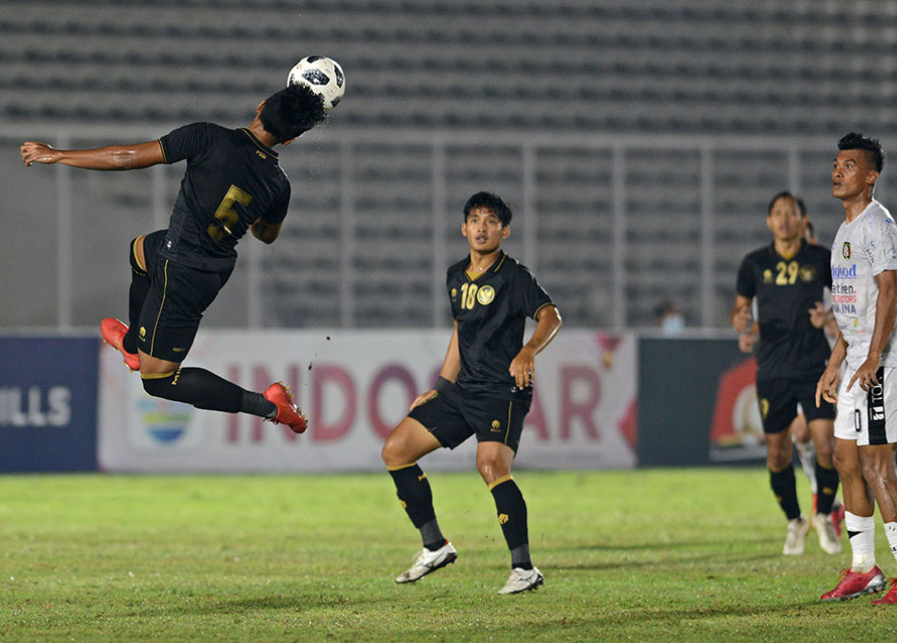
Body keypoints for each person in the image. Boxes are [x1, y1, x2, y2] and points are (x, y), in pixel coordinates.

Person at [19, 84, 322, 434]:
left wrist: (57, 155)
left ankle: (269, 405)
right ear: (290, 140)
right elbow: (266, 235)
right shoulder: (279, 185)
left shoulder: (207, 137)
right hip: (203, 261)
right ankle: (133, 346)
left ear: (261, 105)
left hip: (183, 270)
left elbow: (126, 158)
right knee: (140, 250)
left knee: (158, 381)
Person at [381, 191, 562, 595]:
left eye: (491, 221)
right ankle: (434, 546)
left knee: (491, 466)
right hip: (462, 391)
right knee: (396, 450)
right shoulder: (454, 276)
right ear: (463, 228)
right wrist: (440, 388)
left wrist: (528, 350)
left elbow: (551, 315)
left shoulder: (514, 276)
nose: (482, 227)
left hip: (503, 391)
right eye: (475, 220)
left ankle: (524, 569)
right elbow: (461, 333)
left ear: (505, 230)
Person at [817, 133, 897, 604]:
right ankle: (864, 568)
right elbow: (852, 310)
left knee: (877, 467)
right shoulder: (844, 232)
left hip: (881, 363)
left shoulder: (878, 225)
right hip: (857, 362)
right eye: (837, 163)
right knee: (845, 461)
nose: (838, 170)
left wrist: (871, 357)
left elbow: (890, 292)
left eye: (850, 164)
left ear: (871, 176)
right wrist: (835, 361)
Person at [732, 190, 841, 556]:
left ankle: (823, 515)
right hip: (773, 370)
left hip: (814, 367)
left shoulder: (821, 259)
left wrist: (829, 317)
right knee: (777, 454)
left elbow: (847, 301)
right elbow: (739, 312)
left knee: (827, 445)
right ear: (769, 220)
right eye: (777, 213)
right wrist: (744, 325)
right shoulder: (753, 264)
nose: (784, 219)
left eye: (790, 213)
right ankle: (795, 521)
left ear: (801, 220)